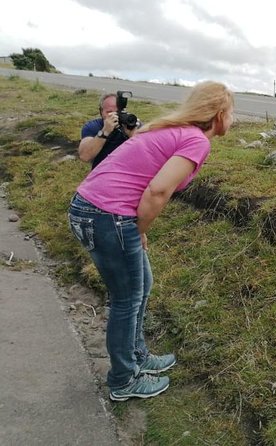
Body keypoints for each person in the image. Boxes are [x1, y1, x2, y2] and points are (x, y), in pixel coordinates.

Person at [67, 81, 234, 401]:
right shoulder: (196, 140)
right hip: (107, 216)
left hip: (92, 209)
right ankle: (122, 380)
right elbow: (157, 191)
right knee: (126, 299)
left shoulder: (172, 129)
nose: (233, 119)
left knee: (141, 285)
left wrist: (134, 227)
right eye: (232, 112)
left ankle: (137, 356)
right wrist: (139, 229)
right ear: (218, 114)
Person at [78, 93, 139, 169]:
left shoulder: (131, 125)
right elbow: (85, 156)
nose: (114, 116)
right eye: (109, 112)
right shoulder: (93, 127)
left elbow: (146, 156)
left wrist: (133, 136)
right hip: (102, 172)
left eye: (118, 112)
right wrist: (105, 132)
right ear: (101, 111)